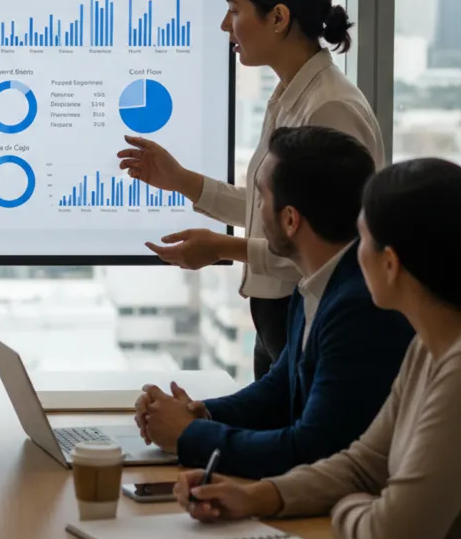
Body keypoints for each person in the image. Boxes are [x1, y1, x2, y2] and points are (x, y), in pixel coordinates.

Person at [173, 158, 461, 539]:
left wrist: (347, 505)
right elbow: (363, 464)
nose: (353, 255)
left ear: (390, 264)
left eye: (362, 240)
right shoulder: (428, 349)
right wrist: (258, 497)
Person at [118, 0, 384, 378]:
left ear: (278, 18)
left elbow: (330, 246)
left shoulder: (329, 109)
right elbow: (275, 213)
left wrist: (222, 247)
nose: (226, 25)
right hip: (277, 323)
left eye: (234, 10)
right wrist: (182, 180)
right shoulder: (289, 95)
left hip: (309, 321)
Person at [133, 126, 412, 480]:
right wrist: (199, 414)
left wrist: (188, 435)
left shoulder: (360, 309)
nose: (256, 211)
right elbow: (279, 391)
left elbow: (310, 450)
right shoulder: (316, 283)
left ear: (291, 219)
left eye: (261, 198)